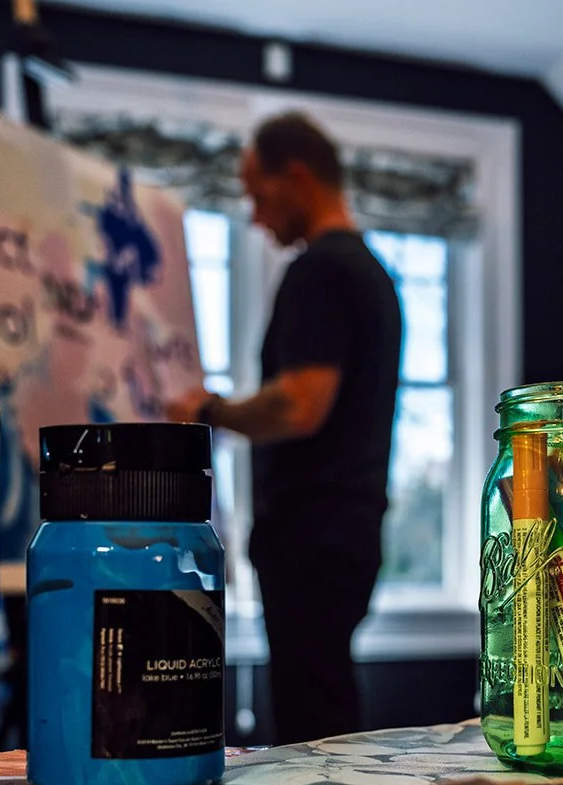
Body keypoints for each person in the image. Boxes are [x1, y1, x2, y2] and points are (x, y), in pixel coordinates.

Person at [166, 112, 402, 745]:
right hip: (347, 531)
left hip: (311, 535)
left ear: (296, 177)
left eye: (257, 191)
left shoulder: (321, 271)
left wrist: (209, 411)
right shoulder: (373, 275)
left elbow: (299, 406)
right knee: (324, 697)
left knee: (310, 719)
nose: (253, 213)